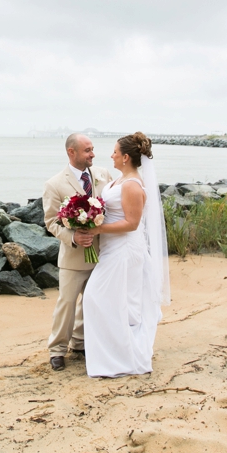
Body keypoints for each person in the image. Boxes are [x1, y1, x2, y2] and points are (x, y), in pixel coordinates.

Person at [80, 132, 171, 378]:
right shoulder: (119, 181)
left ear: (126, 157)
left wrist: (97, 228)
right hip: (111, 248)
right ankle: (112, 354)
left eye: (115, 152)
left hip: (124, 250)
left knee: (101, 299)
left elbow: (132, 223)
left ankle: (122, 357)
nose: (111, 155)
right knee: (107, 301)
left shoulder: (132, 185)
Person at [42, 133, 112, 371]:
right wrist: (73, 236)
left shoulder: (103, 175)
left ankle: (80, 343)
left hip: (103, 254)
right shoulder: (54, 184)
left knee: (91, 302)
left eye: (92, 149)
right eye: (87, 150)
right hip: (72, 257)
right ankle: (57, 350)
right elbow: (51, 222)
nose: (92, 154)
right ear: (71, 152)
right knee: (67, 303)